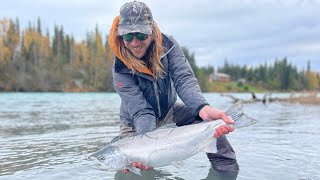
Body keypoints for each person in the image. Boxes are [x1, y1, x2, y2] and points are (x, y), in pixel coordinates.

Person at [108, 0, 239, 175]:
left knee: (210, 124)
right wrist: (144, 144)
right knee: (131, 170)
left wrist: (203, 108)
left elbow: (183, 79)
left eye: (140, 35)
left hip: (169, 111)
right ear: (120, 36)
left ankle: (227, 173)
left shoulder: (169, 46)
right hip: (135, 123)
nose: (134, 43)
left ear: (151, 32)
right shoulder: (120, 69)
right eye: (128, 36)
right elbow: (141, 111)